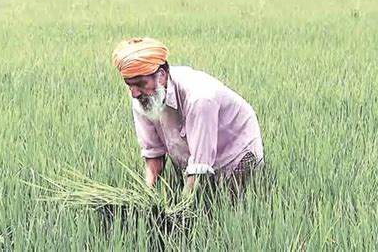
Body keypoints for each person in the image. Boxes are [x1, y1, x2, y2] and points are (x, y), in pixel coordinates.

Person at [112, 37, 264, 199]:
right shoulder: (142, 98)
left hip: (234, 152)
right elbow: (153, 154)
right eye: (130, 85)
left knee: (232, 202)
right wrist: (145, 198)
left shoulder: (200, 97)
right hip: (192, 150)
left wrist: (179, 212)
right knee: (202, 194)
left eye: (141, 84)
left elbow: (200, 168)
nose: (134, 93)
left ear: (161, 76)